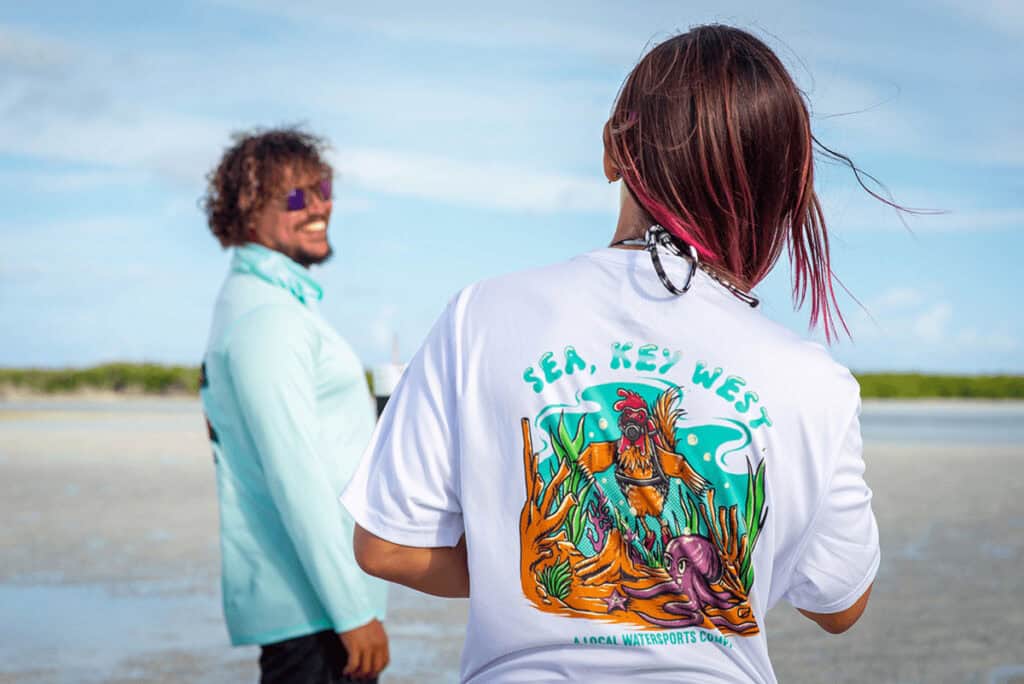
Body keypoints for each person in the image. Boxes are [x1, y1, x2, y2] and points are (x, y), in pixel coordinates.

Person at [341, 25, 884, 683]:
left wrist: (531, 584)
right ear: (782, 189)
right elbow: (840, 602)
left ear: (612, 149)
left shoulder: (482, 315)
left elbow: (387, 545)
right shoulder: (812, 381)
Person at [200, 128, 389, 683]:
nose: (320, 206)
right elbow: (294, 475)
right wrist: (353, 613)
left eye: (323, 188)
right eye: (296, 197)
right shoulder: (268, 318)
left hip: (317, 603)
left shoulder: (271, 303)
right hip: (314, 613)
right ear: (246, 213)